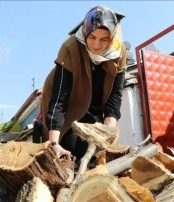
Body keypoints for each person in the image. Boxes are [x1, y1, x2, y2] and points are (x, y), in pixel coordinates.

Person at [41, 6, 127, 161]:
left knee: (96, 156)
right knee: (69, 149)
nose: (96, 45)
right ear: (85, 33)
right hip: (69, 109)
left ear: (112, 37)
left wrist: (108, 131)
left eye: (104, 39)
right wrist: (54, 142)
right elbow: (60, 98)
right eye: (92, 37)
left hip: (94, 111)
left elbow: (115, 95)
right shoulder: (70, 47)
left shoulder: (119, 52)